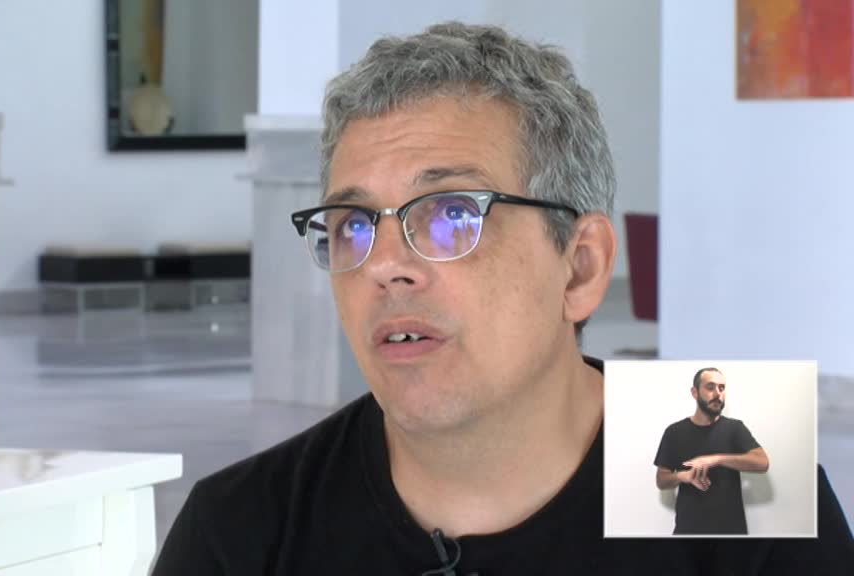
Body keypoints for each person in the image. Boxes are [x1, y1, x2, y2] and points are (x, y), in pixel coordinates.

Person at [153, 22, 853, 575]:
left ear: (579, 268)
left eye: (451, 214)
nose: (385, 266)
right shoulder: (244, 531)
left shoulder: (741, 492)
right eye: (354, 225)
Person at [654, 368, 770, 535]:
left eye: (722, 388)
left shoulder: (735, 428)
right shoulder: (675, 432)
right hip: (688, 532)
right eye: (710, 387)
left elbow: (762, 462)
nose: (717, 393)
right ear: (695, 392)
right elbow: (661, 480)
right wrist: (683, 476)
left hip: (731, 533)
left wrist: (716, 459)